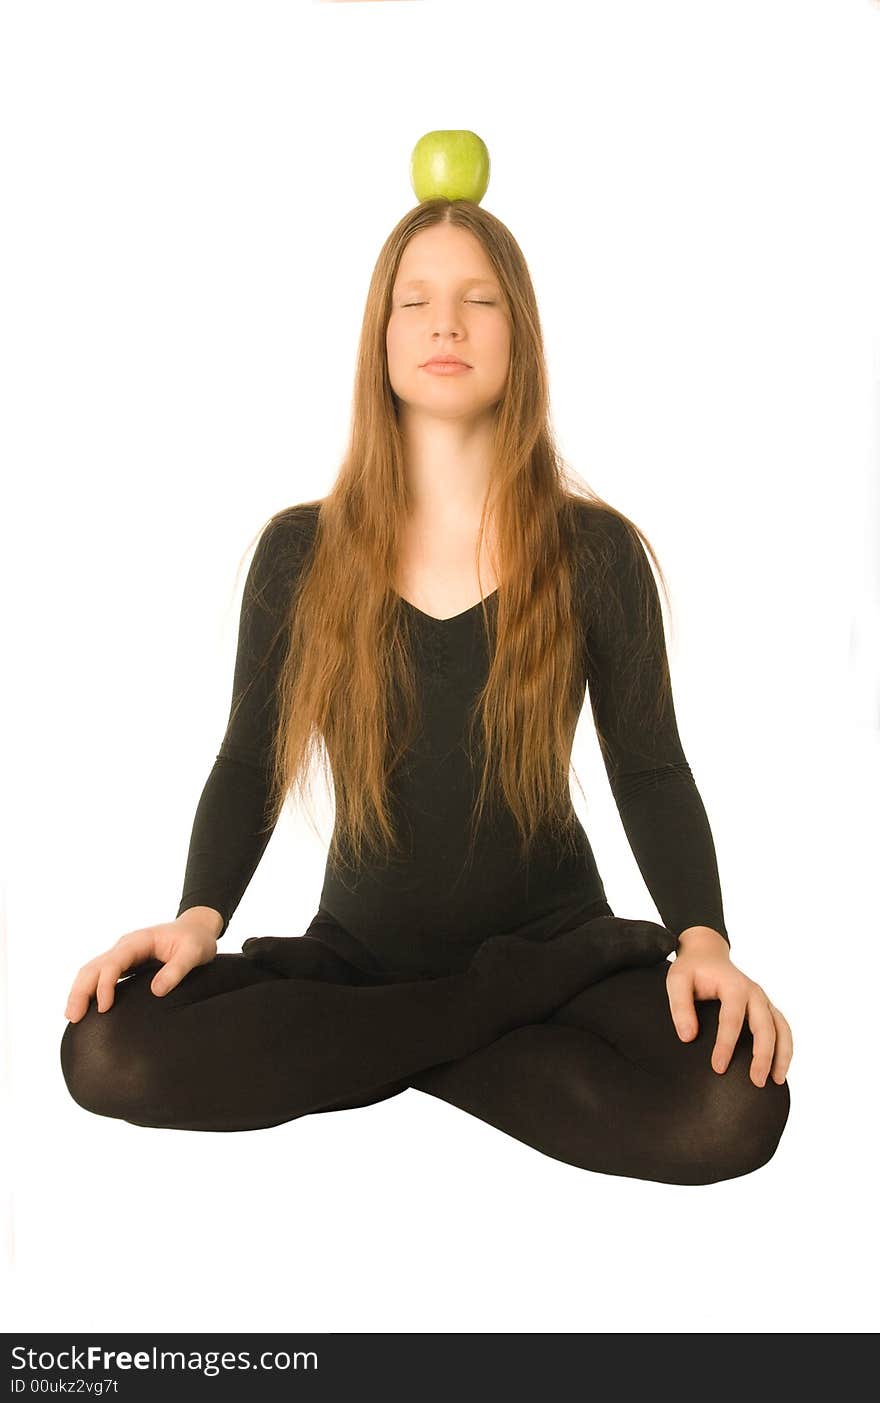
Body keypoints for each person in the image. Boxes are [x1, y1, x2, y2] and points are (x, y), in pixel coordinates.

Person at [60, 201, 793, 1184]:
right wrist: (196, 919)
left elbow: (650, 766)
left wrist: (703, 939)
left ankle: (378, 1052)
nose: (446, 322)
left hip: (551, 946)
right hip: (363, 962)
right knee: (108, 1049)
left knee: (731, 1103)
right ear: (383, 337)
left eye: (477, 299)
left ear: (518, 337)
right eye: (417, 300)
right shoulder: (298, 553)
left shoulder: (594, 554)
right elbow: (248, 758)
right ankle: (475, 1021)